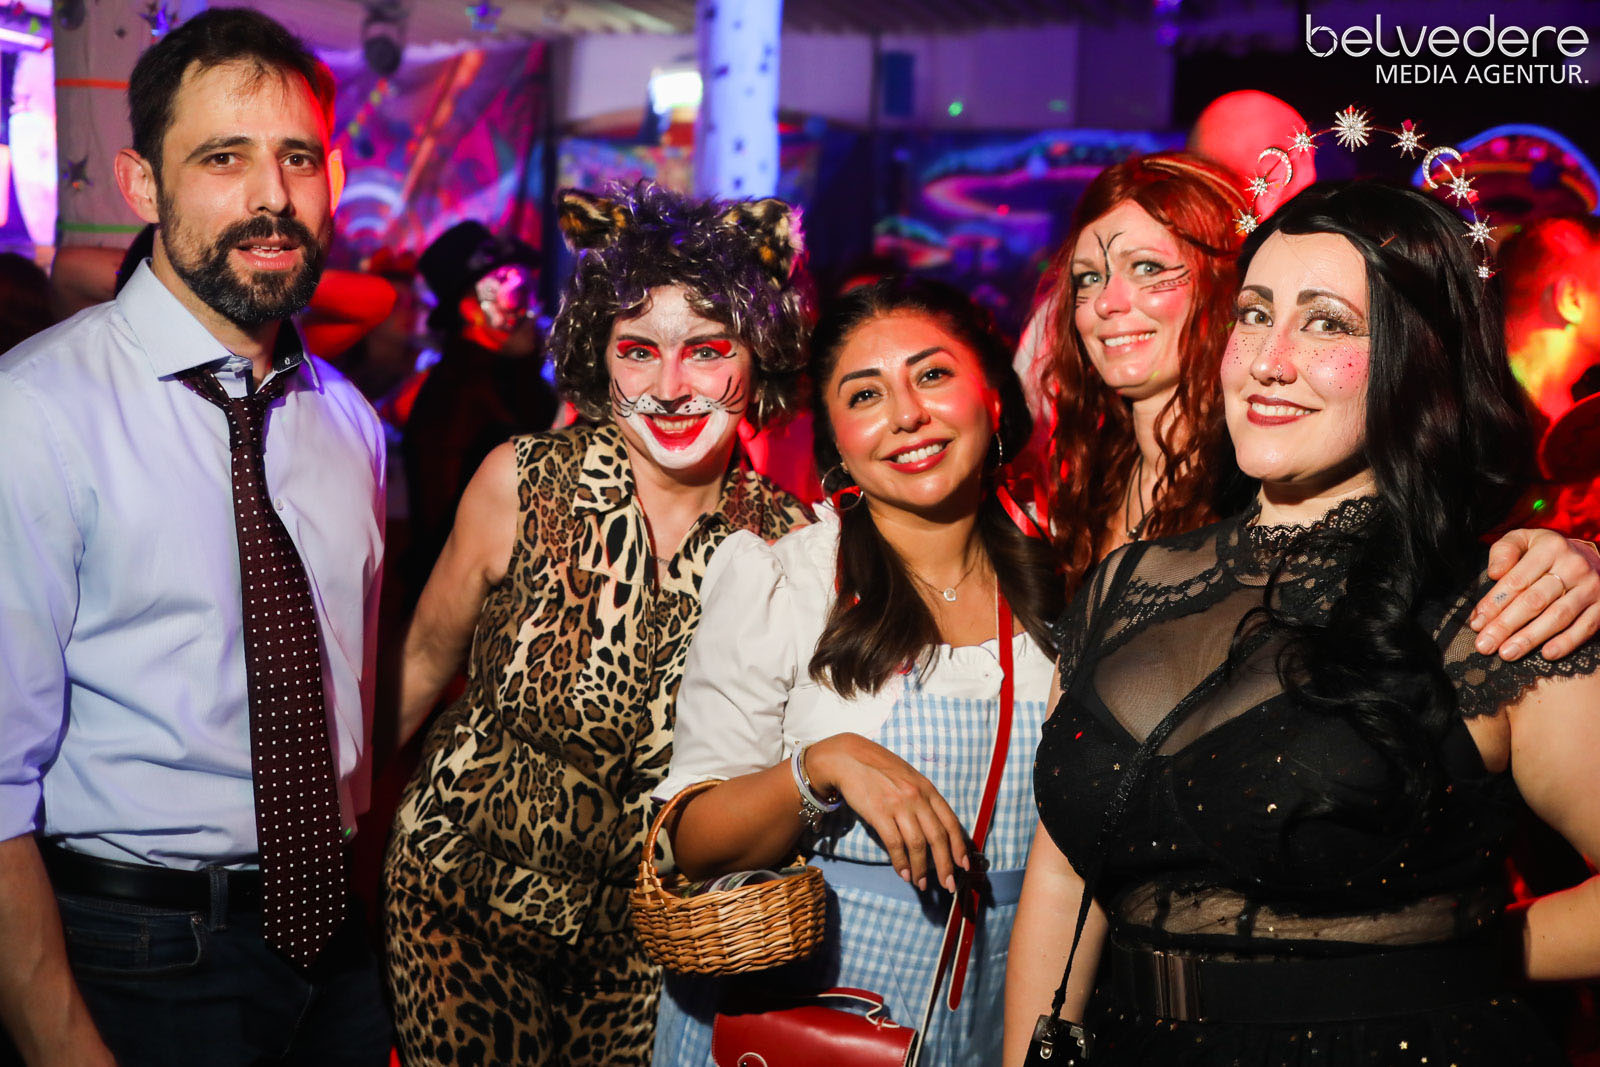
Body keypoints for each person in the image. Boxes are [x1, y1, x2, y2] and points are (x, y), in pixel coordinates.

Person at [1005, 181, 1600, 1066]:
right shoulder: (1123, 587)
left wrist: (1456, 955)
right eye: (1254, 314)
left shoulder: (1503, 607)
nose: (1269, 360)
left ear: (1419, 359)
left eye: (1328, 323)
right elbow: (1064, 877)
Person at [0, 9, 388, 1066]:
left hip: (338, 952)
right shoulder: (37, 413)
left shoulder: (347, 422)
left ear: (334, 179)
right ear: (141, 185)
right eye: (223, 158)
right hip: (137, 953)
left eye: (296, 158)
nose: (271, 197)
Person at [383, 183, 814, 1066]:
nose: (670, 386)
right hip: (460, 904)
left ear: (758, 354)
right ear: (597, 354)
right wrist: (327, 824)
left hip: (648, 947)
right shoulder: (521, 481)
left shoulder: (787, 541)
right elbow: (423, 659)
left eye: (707, 350)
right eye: (637, 349)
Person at [653, 277, 1064, 1066]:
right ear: (837, 440)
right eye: (866, 394)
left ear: (993, 396)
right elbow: (689, 840)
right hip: (812, 1024)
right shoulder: (790, 581)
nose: (907, 415)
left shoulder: (1068, 584)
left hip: (999, 1013)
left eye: (933, 374)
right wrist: (824, 764)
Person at [1042, 151, 1600, 658]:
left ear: (1220, 285)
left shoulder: (1278, 464)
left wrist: (1576, 561)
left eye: (1147, 268)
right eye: (1087, 278)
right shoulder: (1072, 481)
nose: (1107, 302)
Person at [401, 219, 558, 601]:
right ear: (470, 307)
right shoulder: (455, 397)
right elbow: (442, 526)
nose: (531, 310)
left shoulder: (523, 382)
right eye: (514, 294)